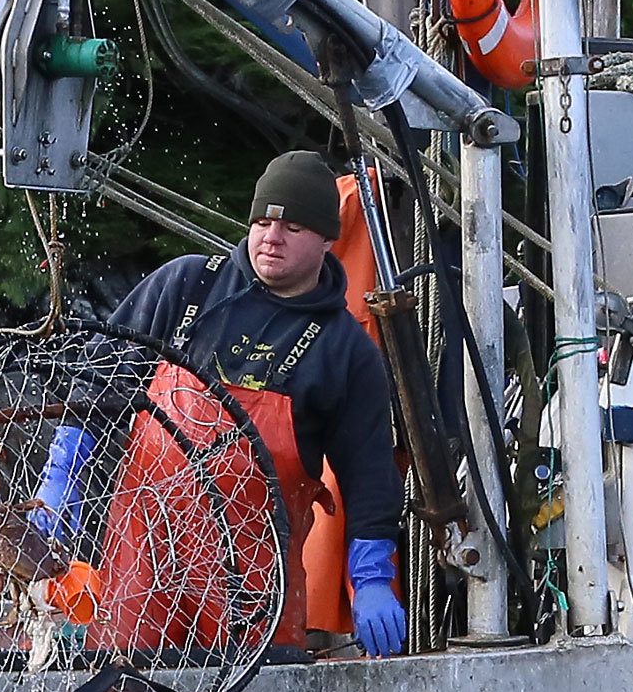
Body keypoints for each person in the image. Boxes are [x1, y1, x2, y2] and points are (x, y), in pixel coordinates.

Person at [33, 151, 407, 659]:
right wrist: (61, 480)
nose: (271, 237)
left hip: (255, 583)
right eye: (262, 222)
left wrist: (371, 576)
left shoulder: (347, 349)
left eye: (292, 226)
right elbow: (98, 383)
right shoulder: (187, 284)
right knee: (124, 688)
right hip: (142, 561)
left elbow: (370, 475)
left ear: (326, 239)